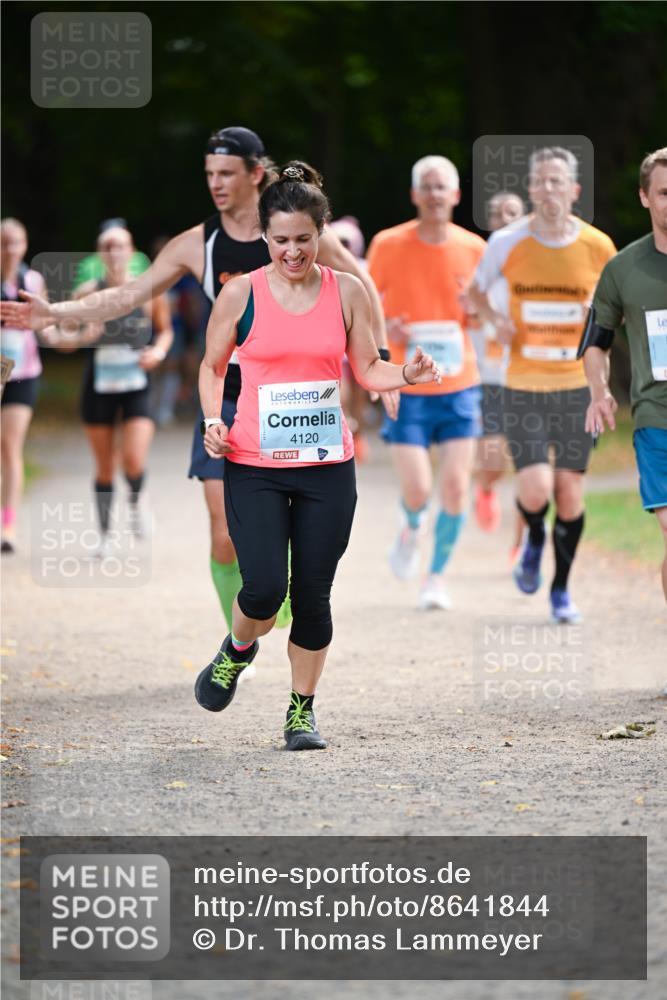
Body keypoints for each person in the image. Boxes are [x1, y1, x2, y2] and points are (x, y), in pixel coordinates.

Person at [0, 127, 395, 634]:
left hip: (297, 395)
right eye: (210, 174)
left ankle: (286, 595)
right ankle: (242, 632)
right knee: (224, 531)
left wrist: (381, 361)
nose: (216, 183)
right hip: (228, 396)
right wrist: (53, 312)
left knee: (300, 525)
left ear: (256, 173)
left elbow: (364, 287)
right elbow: (130, 294)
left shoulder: (298, 227)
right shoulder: (199, 243)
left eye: (227, 173)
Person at [196, 161, 440, 750]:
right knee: (261, 591)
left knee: (312, 595)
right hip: (254, 462)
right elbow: (210, 367)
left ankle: (301, 711)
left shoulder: (346, 292)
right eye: (280, 240)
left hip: (328, 467)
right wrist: (213, 420)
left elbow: (368, 366)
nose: (292, 252)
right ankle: (237, 649)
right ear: (265, 238)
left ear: (319, 233)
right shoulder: (241, 293)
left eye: (303, 239)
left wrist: (403, 373)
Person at [468, 147, 616, 622]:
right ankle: (533, 535)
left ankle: (560, 590)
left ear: (573, 191)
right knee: (535, 489)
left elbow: (615, 311)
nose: (549, 190)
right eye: (541, 182)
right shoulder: (507, 242)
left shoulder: (597, 246)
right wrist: (497, 321)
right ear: (530, 189)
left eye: (558, 182)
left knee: (569, 493)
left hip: (577, 385)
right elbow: (472, 294)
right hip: (524, 384)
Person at [367, 155, 486, 610]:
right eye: (428, 187)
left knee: (455, 486)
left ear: (456, 195)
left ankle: (435, 576)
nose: (436, 195)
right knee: (418, 488)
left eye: (443, 188)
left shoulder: (474, 248)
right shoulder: (388, 244)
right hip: (407, 383)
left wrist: (473, 311)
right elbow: (365, 307)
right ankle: (410, 525)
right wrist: (386, 334)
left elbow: (485, 316)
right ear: (415, 194)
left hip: (460, 383)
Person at [49, 223, 173, 555]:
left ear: (132, 251)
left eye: (120, 246)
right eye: (107, 247)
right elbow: (62, 341)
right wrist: (81, 336)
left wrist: (158, 352)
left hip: (136, 384)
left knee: (133, 458)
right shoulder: (88, 292)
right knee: (104, 465)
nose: (114, 253)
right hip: (99, 384)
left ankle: (136, 499)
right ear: (100, 254)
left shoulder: (147, 291)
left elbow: (165, 332)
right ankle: (104, 534)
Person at [581, 147, 667, 601]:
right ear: (645, 198)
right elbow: (594, 344)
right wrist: (599, 391)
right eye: (665, 192)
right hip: (657, 419)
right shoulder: (622, 269)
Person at [469, 192, 526, 536]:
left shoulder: (534, 261)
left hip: (528, 373)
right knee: (495, 458)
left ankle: (524, 542)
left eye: (512, 212)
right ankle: (486, 487)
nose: (503, 218)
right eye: (497, 213)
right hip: (487, 374)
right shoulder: (478, 262)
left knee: (531, 465)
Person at [0, 218, 48, 553]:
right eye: (4, 242)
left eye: (15, 242)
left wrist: (68, 335)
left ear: (25, 244)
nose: (10, 249)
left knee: (9, 446)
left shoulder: (33, 280)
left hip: (23, 373)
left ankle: (8, 526)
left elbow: (43, 325)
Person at [330, 215, 373, 461]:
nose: (344, 249)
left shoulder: (364, 269)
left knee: (361, 393)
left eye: (348, 243)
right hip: (336, 346)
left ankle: (359, 435)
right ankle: (343, 433)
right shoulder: (323, 271)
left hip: (358, 342)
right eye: (340, 243)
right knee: (341, 393)